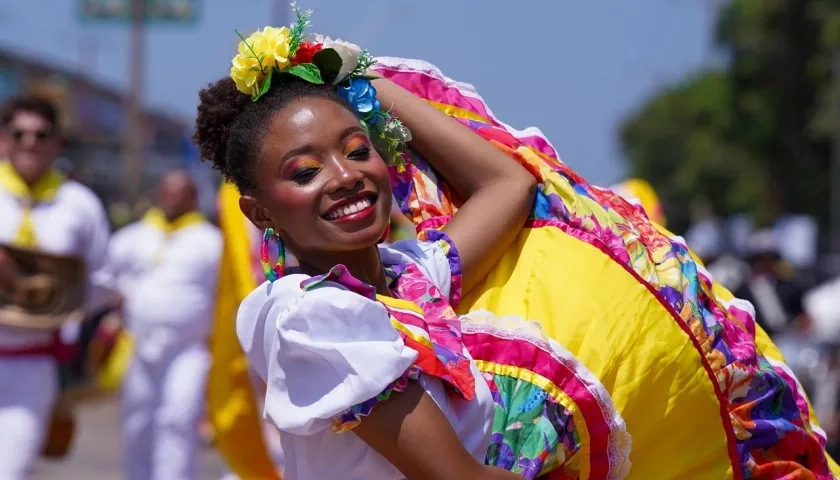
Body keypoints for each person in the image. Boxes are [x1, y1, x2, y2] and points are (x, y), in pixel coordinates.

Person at [197, 11, 838, 480]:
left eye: (356, 149)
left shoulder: (407, 280)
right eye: (304, 172)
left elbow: (508, 184)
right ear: (259, 212)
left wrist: (362, 82)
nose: (345, 177)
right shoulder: (308, 314)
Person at [0, 95, 112, 479]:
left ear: (56, 143)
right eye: (19, 133)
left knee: (10, 470)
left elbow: (102, 278)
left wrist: (63, 314)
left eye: (40, 134)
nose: (29, 142)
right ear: (4, 140)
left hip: (35, 363)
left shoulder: (79, 205)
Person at [105, 170, 222, 480]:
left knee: (179, 420)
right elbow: (105, 281)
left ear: (193, 198)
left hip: (188, 349)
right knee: (137, 421)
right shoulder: (134, 236)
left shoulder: (211, 241)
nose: (171, 198)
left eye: (179, 192)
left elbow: (225, 295)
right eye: (166, 191)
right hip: (139, 347)